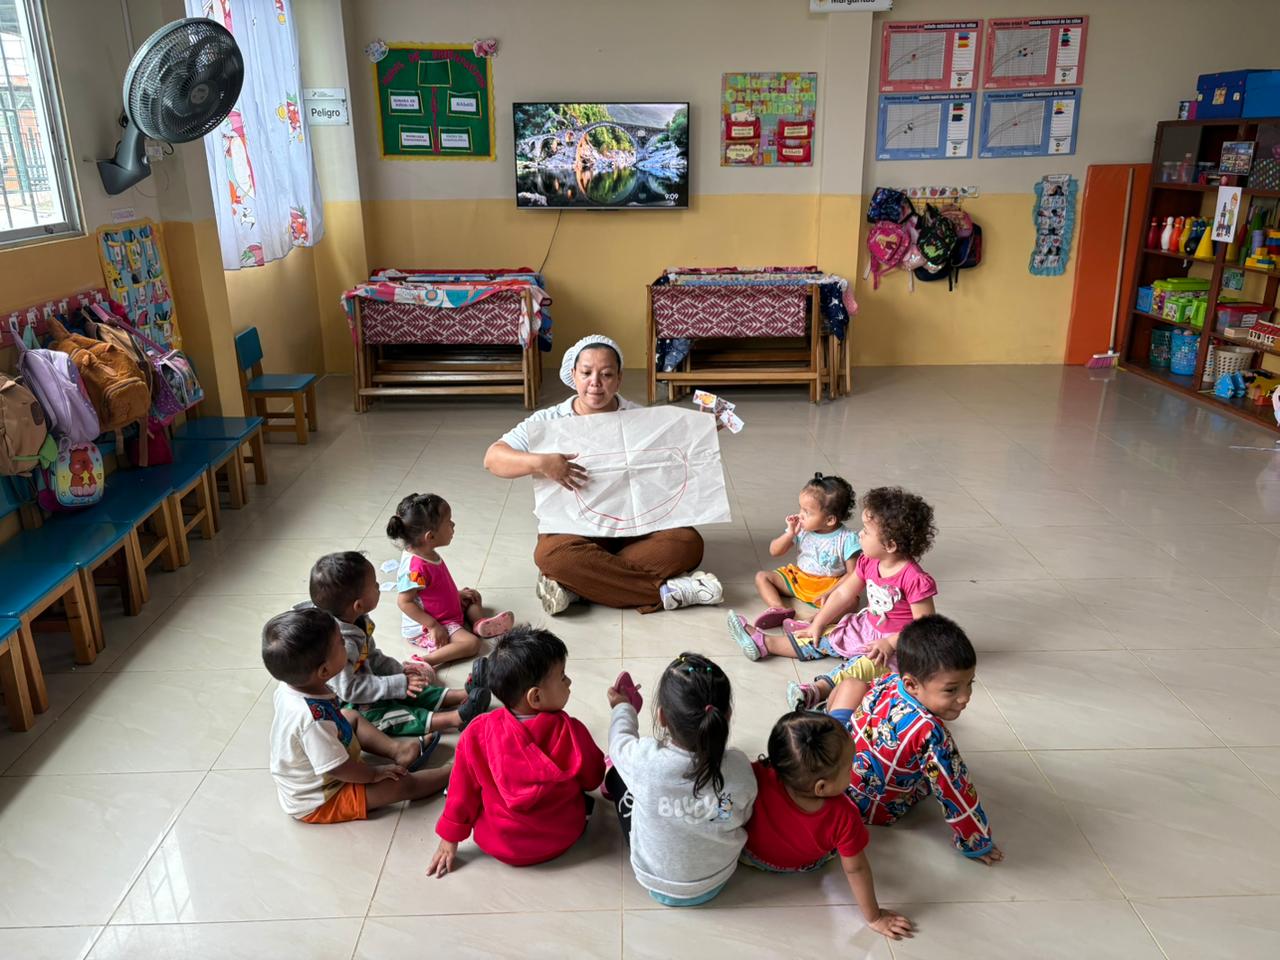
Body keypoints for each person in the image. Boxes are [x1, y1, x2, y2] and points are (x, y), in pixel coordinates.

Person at [483, 334, 722, 615]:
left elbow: (677, 457)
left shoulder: (640, 418)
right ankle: (669, 592)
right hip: (574, 530)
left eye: (606, 374)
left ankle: (576, 586)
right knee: (552, 556)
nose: (595, 382)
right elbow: (493, 458)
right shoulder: (549, 420)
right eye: (586, 373)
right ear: (573, 374)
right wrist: (540, 463)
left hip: (637, 527)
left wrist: (702, 430)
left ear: (619, 379)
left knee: (688, 544)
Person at [730, 487, 935, 713]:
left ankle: (816, 691)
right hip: (865, 627)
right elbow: (843, 593)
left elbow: (924, 627)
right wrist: (818, 622)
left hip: (896, 647)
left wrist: (889, 643)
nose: (860, 534)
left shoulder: (914, 579)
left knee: (861, 667)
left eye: (866, 531)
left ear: (890, 545)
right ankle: (765, 643)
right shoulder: (869, 562)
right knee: (825, 635)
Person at [428, 626, 604, 873]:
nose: (569, 682)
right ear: (536, 697)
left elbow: (462, 791)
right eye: (563, 676)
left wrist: (450, 838)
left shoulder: (477, 732)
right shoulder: (571, 731)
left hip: (501, 843)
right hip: (563, 835)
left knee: (475, 787)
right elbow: (593, 778)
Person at [263, 607, 450, 824]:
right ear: (324, 671)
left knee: (350, 715)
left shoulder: (292, 686)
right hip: (322, 798)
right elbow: (337, 768)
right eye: (341, 642)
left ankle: (399, 751)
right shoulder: (313, 721)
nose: (346, 643)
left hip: (323, 759)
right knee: (401, 785)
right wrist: (373, 774)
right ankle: (455, 771)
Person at [742, 711, 914, 941]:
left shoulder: (755, 773)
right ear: (821, 787)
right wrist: (874, 917)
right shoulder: (844, 815)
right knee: (844, 843)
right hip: (801, 865)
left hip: (750, 854)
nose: (853, 771)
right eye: (849, 768)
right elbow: (855, 869)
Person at [604, 652, 757, 907]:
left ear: (662, 717)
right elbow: (743, 814)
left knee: (616, 776)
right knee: (725, 810)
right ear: (727, 715)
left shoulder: (644, 760)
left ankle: (616, 775)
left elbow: (619, 741)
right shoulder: (739, 767)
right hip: (715, 880)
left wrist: (623, 707)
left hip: (653, 879)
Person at [846, 615, 1001, 864]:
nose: (965, 697)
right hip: (876, 810)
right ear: (912, 684)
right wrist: (977, 842)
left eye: (969, 684)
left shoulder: (889, 682)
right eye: (951, 689)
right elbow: (955, 790)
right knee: (945, 771)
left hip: (845, 782)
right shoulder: (931, 733)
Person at [300, 551, 490, 736]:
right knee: (391, 713)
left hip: (366, 682)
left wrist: (400, 672)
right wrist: (395, 684)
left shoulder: (358, 620)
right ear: (358, 605)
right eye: (374, 585)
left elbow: (373, 656)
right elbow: (349, 690)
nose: (378, 586)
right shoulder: (339, 644)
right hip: (346, 703)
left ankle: (462, 695)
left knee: (409, 687)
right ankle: (455, 718)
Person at [387, 493, 514, 667]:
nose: (453, 525)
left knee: (472, 596)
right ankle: (425, 662)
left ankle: (479, 624)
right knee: (472, 644)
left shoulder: (425, 551)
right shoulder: (414, 569)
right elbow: (404, 602)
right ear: (430, 536)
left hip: (443, 611)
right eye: (448, 522)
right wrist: (433, 626)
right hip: (429, 625)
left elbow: (433, 589)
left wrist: (457, 595)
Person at [731, 472, 859, 632]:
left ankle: (814, 621)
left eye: (807, 512)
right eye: (801, 508)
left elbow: (853, 574)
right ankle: (779, 609)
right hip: (799, 579)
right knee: (762, 577)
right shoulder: (801, 529)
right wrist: (790, 534)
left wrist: (831, 592)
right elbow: (774, 551)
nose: (800, 515)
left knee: (852, 601)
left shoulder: (847, 539)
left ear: (829, 520)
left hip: (828, 585)